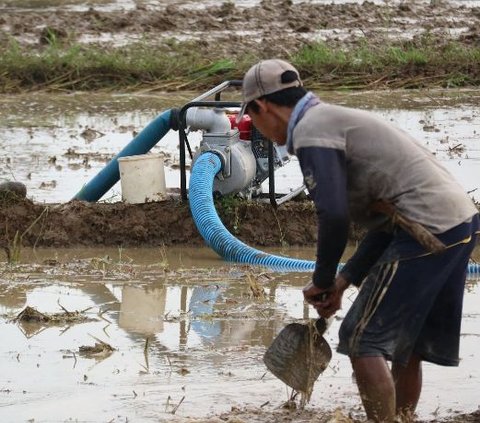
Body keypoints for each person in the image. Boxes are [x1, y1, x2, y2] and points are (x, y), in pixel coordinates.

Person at [237, 59, 479, 422]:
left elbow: (333, 215)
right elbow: (385, 226)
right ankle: (402, 418)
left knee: (362, 339)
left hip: (426, 228)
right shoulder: (330, 119)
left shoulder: (311, 131)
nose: (256, 126)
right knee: (404, 345)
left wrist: (320, 281)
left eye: (252, 117)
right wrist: (342, 281)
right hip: (458, 224)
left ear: (262, 106)